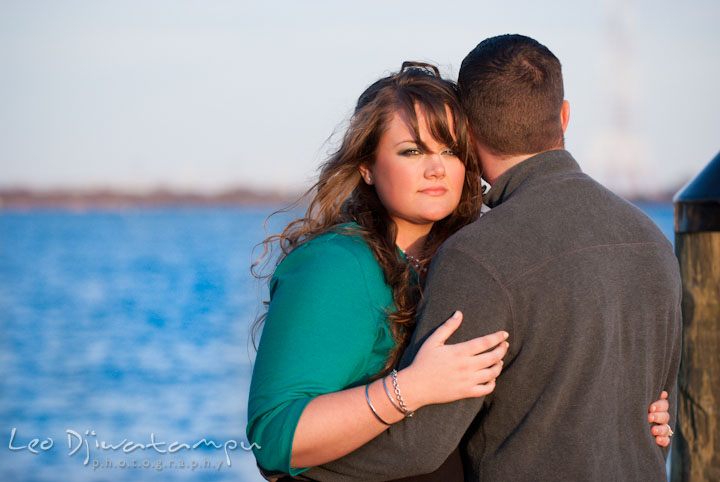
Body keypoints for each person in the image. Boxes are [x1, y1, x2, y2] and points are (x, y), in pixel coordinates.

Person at [248, 58, 674, 481]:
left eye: (450, 150)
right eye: (411, 151)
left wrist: (629, 415)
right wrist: (410, 388)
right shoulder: (335, 264)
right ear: (366, 166)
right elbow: (274, 439)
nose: (436, 168)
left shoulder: (474, 254)